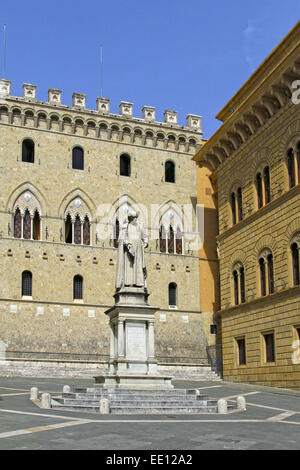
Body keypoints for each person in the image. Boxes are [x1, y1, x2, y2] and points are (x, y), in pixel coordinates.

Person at [115, 210, 148, 290]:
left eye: (136, 218)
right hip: (129, 251)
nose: (135, 220)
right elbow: (122, 238)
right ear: (130, 219)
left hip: (138, 251)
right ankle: (128, 283)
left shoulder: (140, 227)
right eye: (134, 218)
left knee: (138, 266)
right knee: (129, 267)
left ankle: (139, 283)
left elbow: (145, 236)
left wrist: (145, 243)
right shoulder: (125, 227)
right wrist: (127, 244)